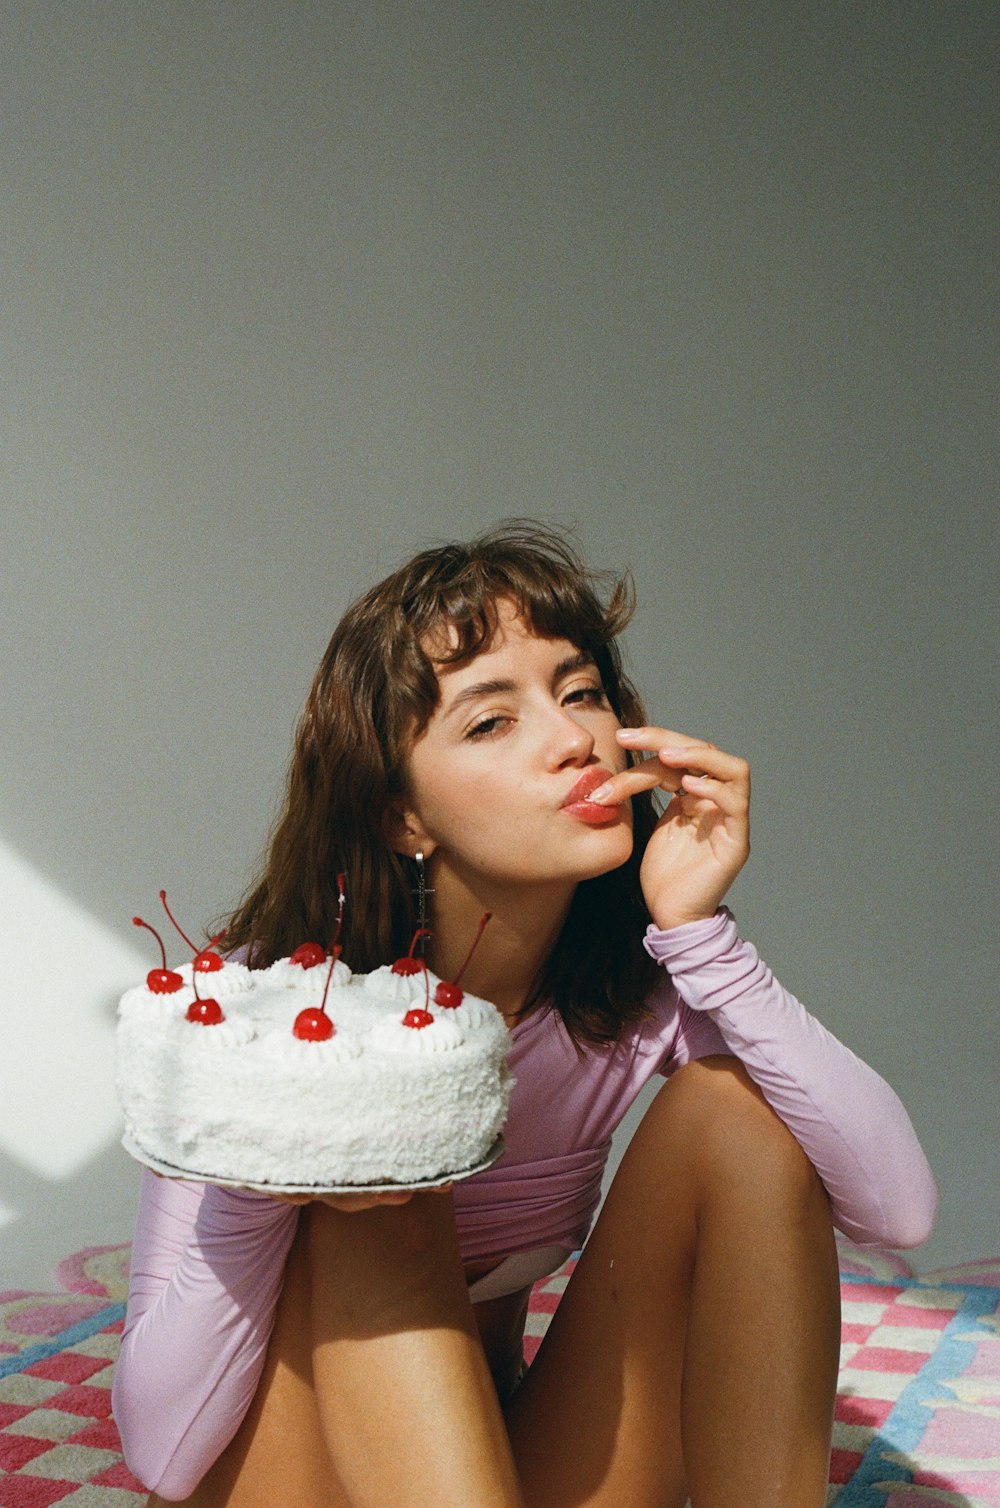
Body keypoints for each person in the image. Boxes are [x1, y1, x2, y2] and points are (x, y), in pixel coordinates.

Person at [112, 519, 937, 1508]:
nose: (570, 738)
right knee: (382, 1158)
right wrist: (270, 1162)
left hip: (487, 1474)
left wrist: (701, 932)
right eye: (490, 720)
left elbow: (899, 1209)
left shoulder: (632, 995)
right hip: (280, 1482)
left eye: (580, 690)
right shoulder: (267, 1013)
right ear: (400, 813)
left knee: (742, 1108)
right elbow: (159, 1450)